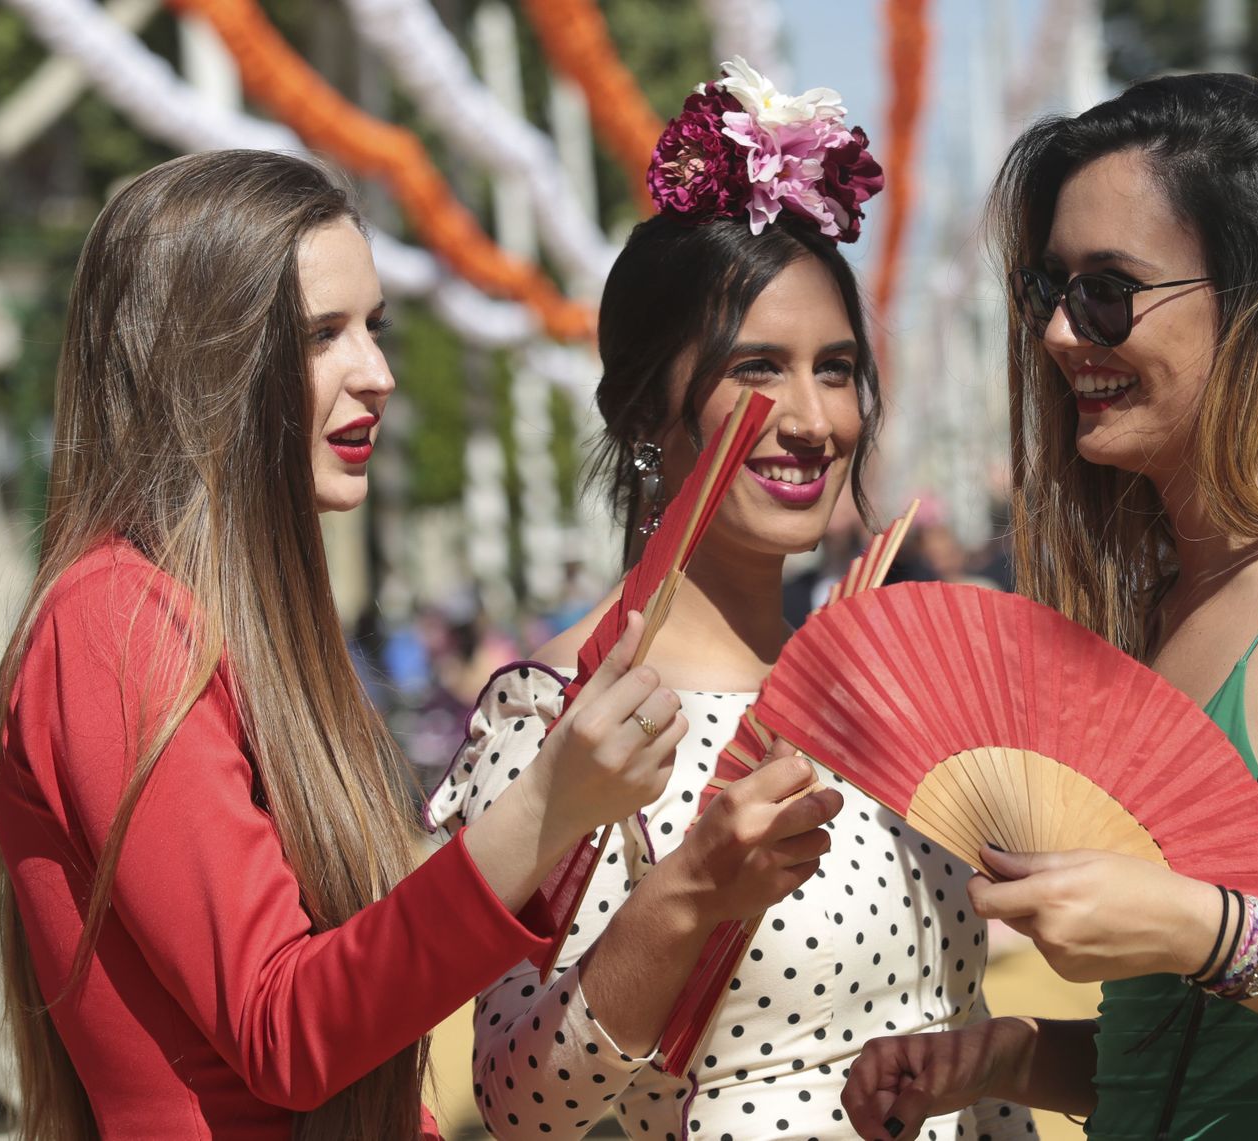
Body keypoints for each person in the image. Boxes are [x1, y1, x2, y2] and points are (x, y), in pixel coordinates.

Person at [841, 73, 1258, 1140]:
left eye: (1108, 290)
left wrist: (1206, 930)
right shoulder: (1154, 611)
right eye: (1048, 292)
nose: (1063, 336)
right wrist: (1005, 1055)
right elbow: (1196, 1059)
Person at [0, 149, 682, 1141]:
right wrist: (548, 804)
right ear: (206, 356)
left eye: (374, 327)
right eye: (322, 334)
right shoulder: (110, 621)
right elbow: (288, 1029)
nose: (380, 373)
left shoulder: (233, 619)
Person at [427, 59, 1035, 1140]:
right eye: (757, 370)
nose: (810, 419)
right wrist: (690, 892)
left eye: (836, 370)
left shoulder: (885, 683)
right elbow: (517, 1101)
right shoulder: (568, 715)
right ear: (646, 416)